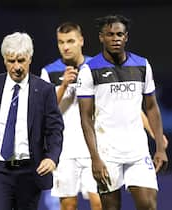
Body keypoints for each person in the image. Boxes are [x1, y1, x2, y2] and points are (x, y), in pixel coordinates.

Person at [76, 14, 168, 210]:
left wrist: (159, 147)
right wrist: (95, 158)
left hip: (138, 151)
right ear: (101, 37)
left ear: (126, 37)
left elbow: (151, 107)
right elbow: (85, 118)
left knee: (148, 205)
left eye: (119, 34)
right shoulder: (89, 70)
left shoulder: (142, 65)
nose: (115, 38)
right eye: (110, 34)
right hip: (107, 153)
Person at [0, 32, 64, 210]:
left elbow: (55, 128)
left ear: (30, 59)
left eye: (21, 60)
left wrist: (52, 157)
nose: (17, 67)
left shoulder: (44, 90)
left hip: (31, 169)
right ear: (4, 60)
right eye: (11, 61)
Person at [40, 22, 102, 210]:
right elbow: (44, 111)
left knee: (99, 202)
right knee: (68, 205)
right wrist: (64, 86)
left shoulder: (97, 66)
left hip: (94, 148)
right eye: (61, 42)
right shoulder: (49, 72)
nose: (65, 46)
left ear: (81, 41)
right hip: (64, 149)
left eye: (70, 41)